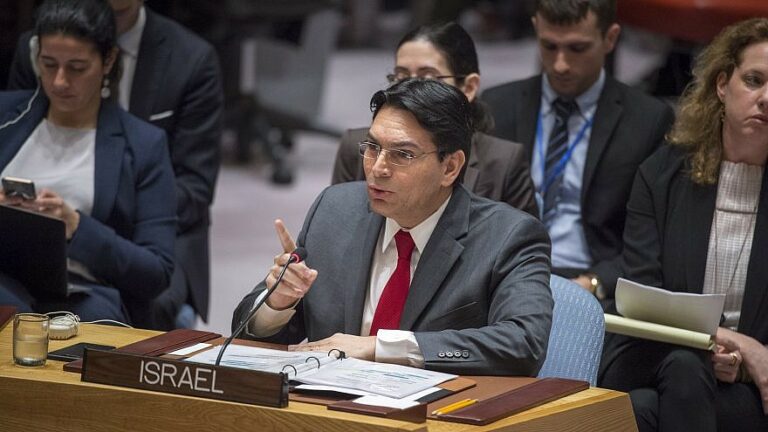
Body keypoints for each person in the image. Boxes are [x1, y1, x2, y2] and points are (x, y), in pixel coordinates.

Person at [233, 79, 553, 375]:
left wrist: (380, 348)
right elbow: (248, 334)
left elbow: (523, 343)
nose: (378, 168)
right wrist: (278, 302)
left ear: (450, 167)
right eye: (372, 147)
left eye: (402, 154)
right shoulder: (334, 211)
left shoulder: (509, 237)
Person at [7, 0, 223, 330]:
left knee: (102, 320)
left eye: (77, 68)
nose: (60, 82)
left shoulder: (145, 140)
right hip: (9, 278)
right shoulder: (10, 115)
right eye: (48, 65)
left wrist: (78, 224)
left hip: (90, 283)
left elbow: (156, 266)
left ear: (108, 60)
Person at [599, 18, 768, 432]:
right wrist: (736, 343)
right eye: (754, 80)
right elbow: (645, 298)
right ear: (722, 85)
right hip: (652, 354)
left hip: (745, 385)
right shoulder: (662, 176)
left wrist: (742, 363)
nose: (766, 99)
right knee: (686, 363)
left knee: (644, 410)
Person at [482, 0, 675, 299]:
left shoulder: (647, 120)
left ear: (610, 38)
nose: (560, 64)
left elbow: (651, 238)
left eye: (577, 48)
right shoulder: (497, 106)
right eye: (549, 46)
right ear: (536, 29)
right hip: (505, 271)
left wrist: (593, 284)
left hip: (591, 279)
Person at [332, 22, 538, 217]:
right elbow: (338, 229)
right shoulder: (358, 148)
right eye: (401, 77)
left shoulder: (504, 162)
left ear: (468, 87)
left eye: (427, 79)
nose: (410, 88)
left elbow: (520, 237)